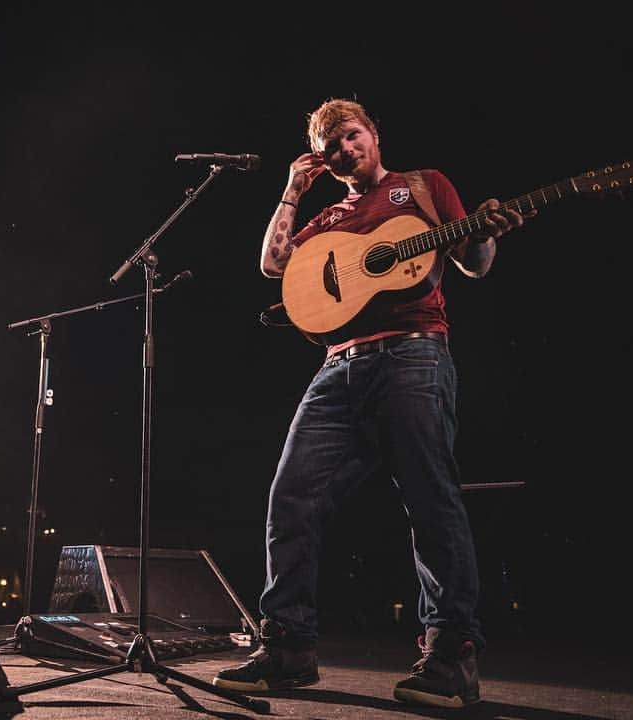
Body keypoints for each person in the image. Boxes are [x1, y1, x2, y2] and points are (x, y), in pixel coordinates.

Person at [213, 98, 533, 708]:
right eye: (331, 146)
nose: (345, 151)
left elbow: (475, 263)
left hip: (414, 355)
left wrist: (485, 235)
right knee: (291, 498)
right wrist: (290, 188)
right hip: (338, 366)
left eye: (352, 136)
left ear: (374, 134)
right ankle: (288, 647)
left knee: (430, 500)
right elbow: (274, 263)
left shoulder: (423, 186)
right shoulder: (330, 213)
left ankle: (451, 658)